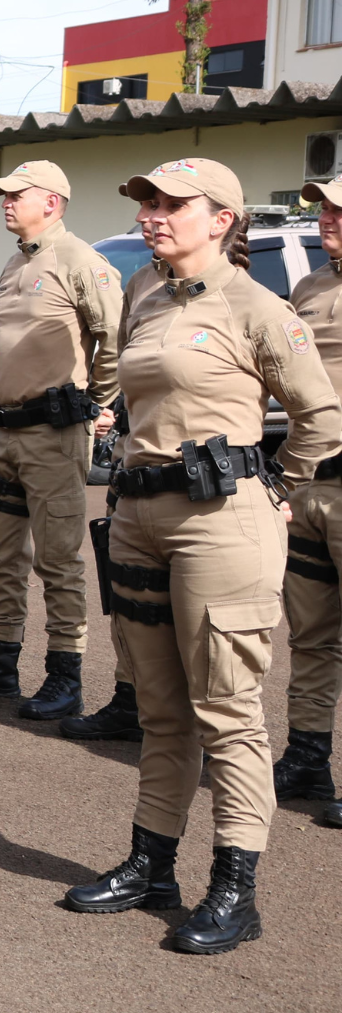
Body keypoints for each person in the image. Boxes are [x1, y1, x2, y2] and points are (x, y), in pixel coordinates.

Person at [61, 159, 341, 953]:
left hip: (222, 518)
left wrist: (278, 488)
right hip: (141, 512)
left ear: (220, 218)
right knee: (159, 705)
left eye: (171, 203)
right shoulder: (144, 293)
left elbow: (319, 417)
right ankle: (152, 864)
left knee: (228, 709)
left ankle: (234, 887)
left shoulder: (258, 306)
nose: (153, 214)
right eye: (146, 202)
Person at [0, 161, 123, 730]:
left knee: (59, 559)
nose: (6, 202)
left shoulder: (82, 262)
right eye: (4, 194)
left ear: (53, 201)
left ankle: (65, 676)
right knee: (2, 554)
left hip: (55, 432)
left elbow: (113, 338)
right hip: (7, 429)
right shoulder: (17, 261)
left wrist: (98, 402)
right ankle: (0, 661)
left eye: (18, 195)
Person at [279, 179, 342, 828]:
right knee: (312, 633)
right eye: (325, 208)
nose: (328, 218)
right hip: (312, 484)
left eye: (340, 210)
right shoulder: (310, 288)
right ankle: (306, 755)